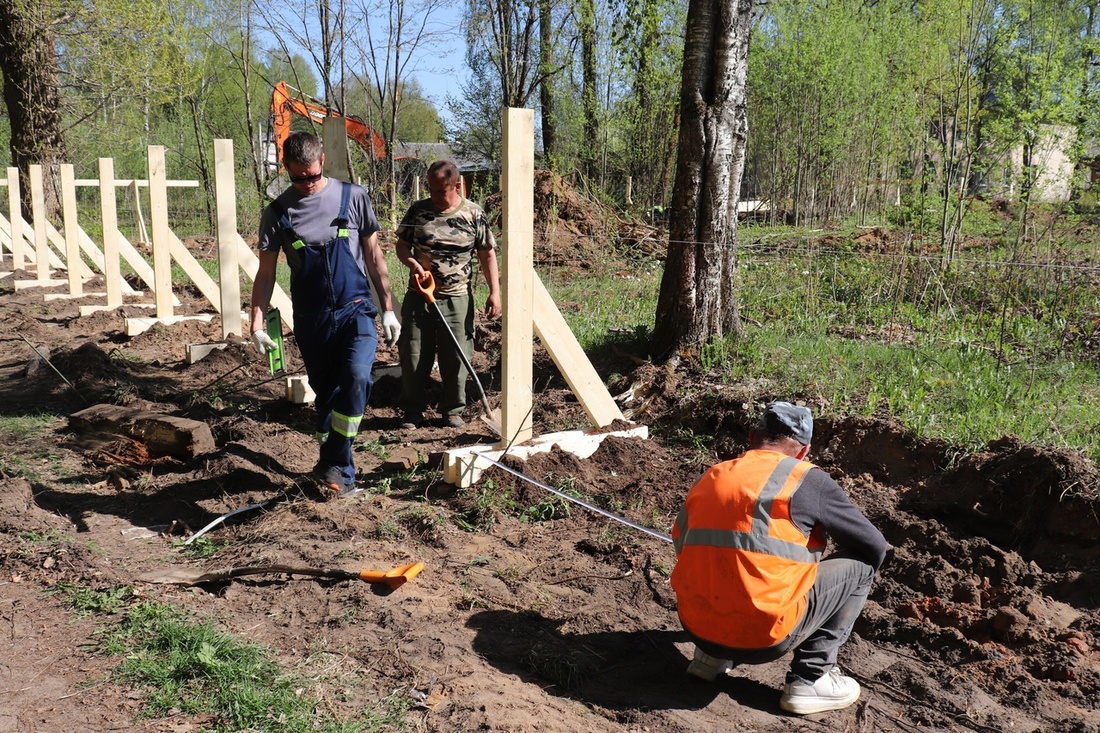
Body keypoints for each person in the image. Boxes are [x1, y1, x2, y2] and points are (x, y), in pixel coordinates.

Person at [670, 401, 887, 715]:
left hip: (696, 626)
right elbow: (875, 546)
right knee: (862, 565)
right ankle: (810, 678)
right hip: (765, 638)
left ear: (753, 435)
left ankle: (709, 657)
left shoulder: (713, 476)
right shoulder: (806, 478)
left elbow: (681, 543)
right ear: (803, 450)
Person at [249, 131, 400, 497]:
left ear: (322, 163)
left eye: (313, 176)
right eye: (298, 178)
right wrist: (255, 321)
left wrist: (389, 309)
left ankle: (333, 463)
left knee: (357, 376)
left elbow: (374, 257)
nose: (307, 184)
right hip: (312, 318)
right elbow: (266, 273)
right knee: (327, 396)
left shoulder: (354, 197)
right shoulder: (277, 213)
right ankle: (337, 471)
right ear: (286, 169)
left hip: (356, 309)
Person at [394, 160, 501, 429]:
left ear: (457, 185)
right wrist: (415, 265)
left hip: (457, 298)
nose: (435, 196)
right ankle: (412, 410)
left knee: (456, 355)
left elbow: (487, 253)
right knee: (414, 353)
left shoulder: (474, 214)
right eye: (431, 189)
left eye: (442, 191)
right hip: (419, 297)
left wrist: (494, 292)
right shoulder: (418, 211)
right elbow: (402, 246)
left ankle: (453, 409)